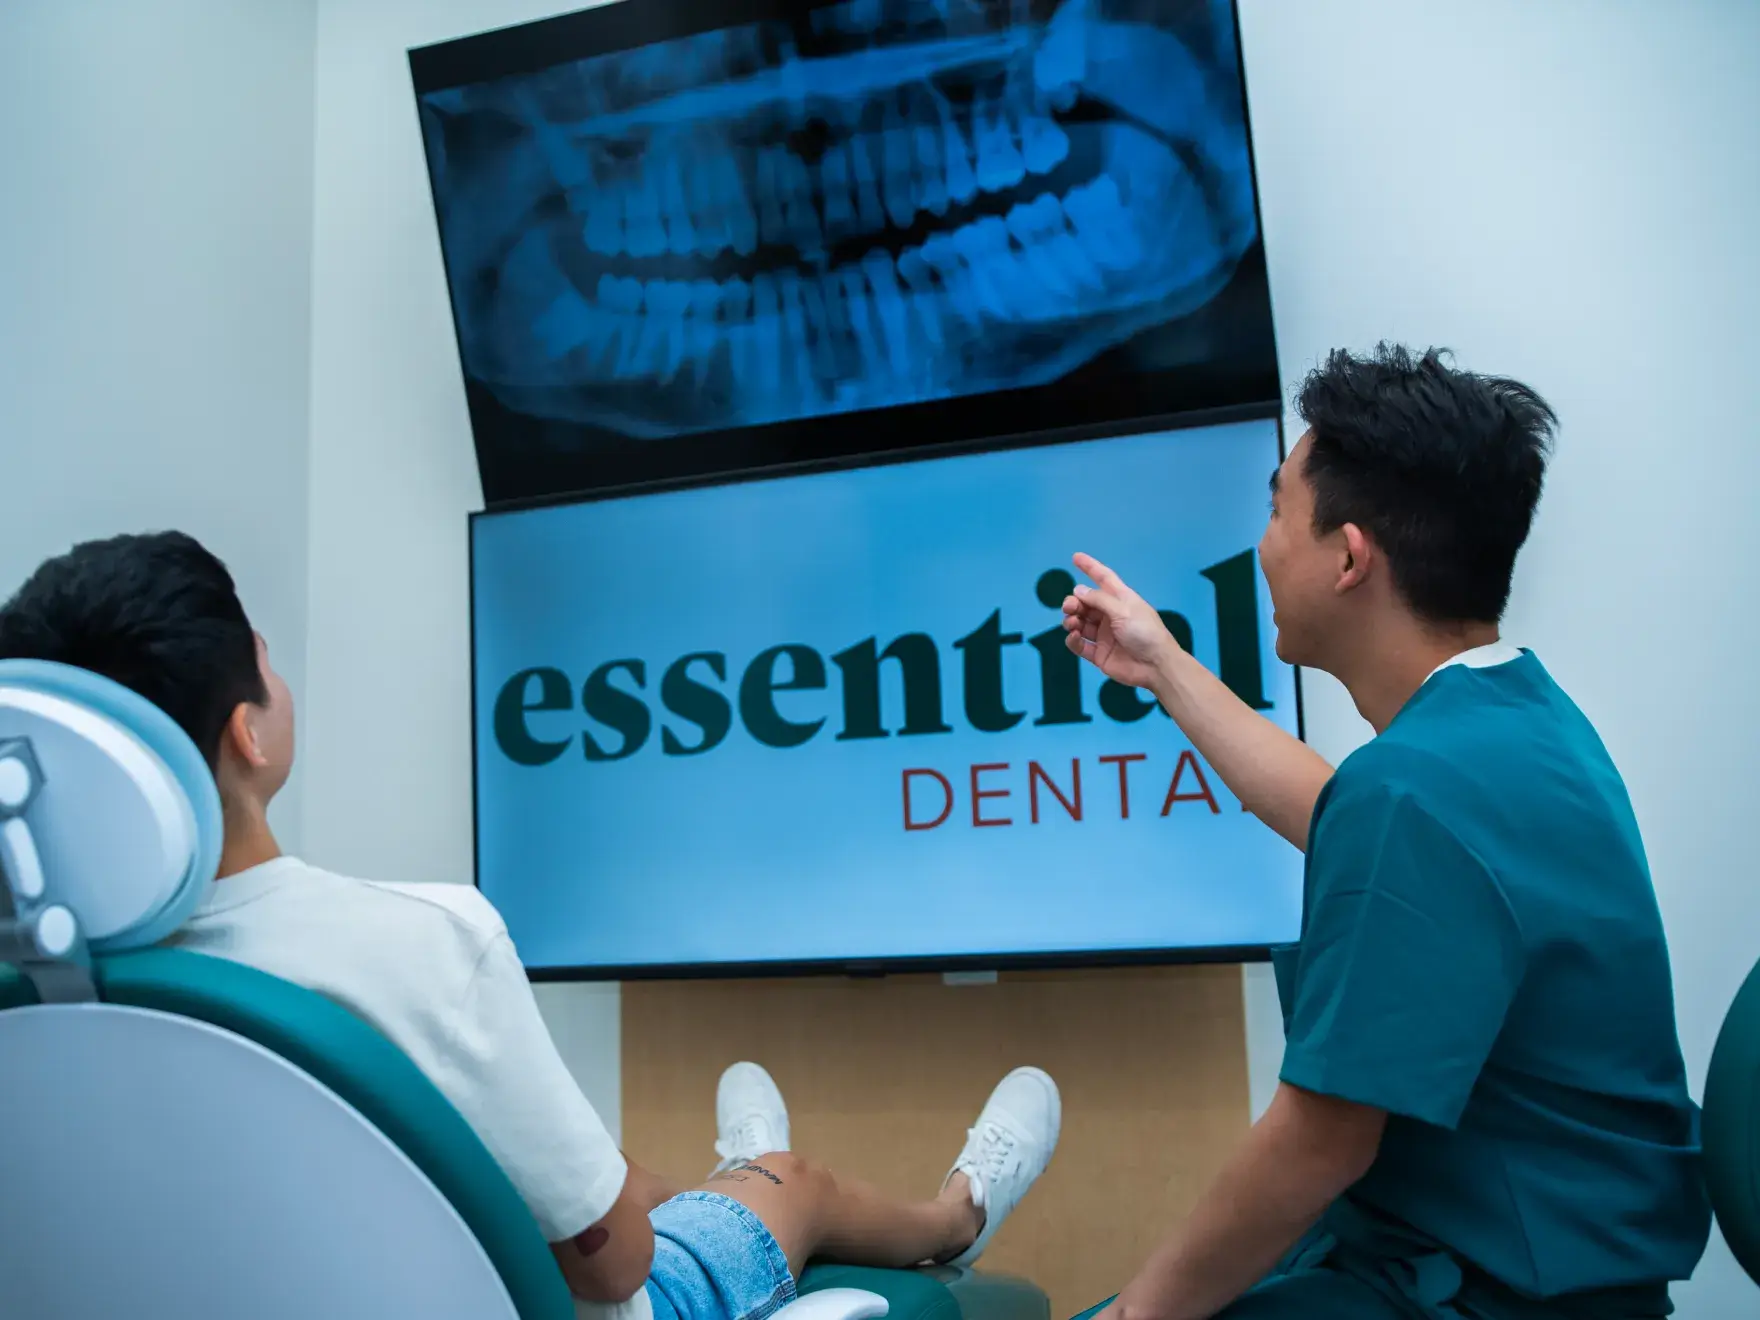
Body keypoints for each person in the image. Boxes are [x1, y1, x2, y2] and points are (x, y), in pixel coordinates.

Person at [0, 531, 1062, 1320]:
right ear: (249, 733)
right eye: (264, 656)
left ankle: (731, 1180)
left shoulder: (44, 1005)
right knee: (797, 1185)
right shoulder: (427, 941)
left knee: (646, 1183)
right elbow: (615, 1266)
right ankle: (955, 1218)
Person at [1061, 345, 1710, 1320]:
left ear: (1349, 557)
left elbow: (1316, 1144)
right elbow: (1346, 816)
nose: (1260, 547)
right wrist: (1162, 667)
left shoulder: (1413, 792)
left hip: (1480, 1299)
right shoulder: (1518, 726)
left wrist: (1130, 1318)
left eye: (1276, 512)